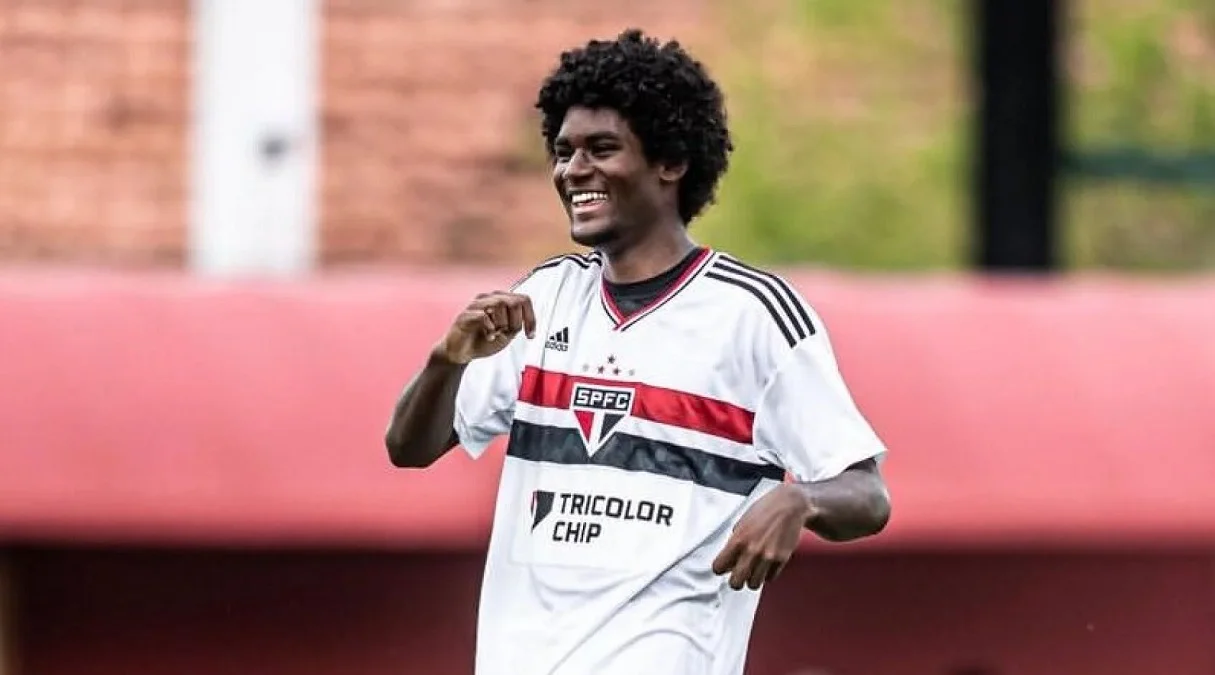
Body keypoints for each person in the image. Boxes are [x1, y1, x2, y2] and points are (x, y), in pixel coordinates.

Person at [385, 28, 891, 675]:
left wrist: (801, 501)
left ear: (670, 161)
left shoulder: (752, 314)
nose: (573, 170)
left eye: (601, 149)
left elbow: (867, 494)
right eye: (563, 152)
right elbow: (409, 447)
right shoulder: (543, 298)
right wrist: (448, 359)